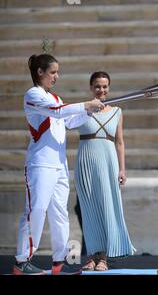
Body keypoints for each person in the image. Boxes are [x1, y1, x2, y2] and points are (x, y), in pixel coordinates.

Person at [14, 54, 105, 275]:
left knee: (60, 214)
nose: (56, 76)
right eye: (53, 72)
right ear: (40, 72)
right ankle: (22, 262)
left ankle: (59, 263)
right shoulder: (33, 95)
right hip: (40, 165)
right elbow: (57, 112)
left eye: (57, 72)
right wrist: (85, 103)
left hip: (59, 166)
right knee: (36, 211)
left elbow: (68, 121)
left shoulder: (55, 97)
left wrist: (88, 111)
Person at [74, 71, 135, 271]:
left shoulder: (116, 111)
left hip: (108, 163)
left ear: (109, 88)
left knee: (108, 208)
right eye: (98, 86)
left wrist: (122, 169)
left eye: (105, 86)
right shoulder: (82, 110)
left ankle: (104, 259)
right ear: (91, 87)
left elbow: (119, 142)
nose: (102, 90)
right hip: (86, 163)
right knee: (89, 211)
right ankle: (91, 257)